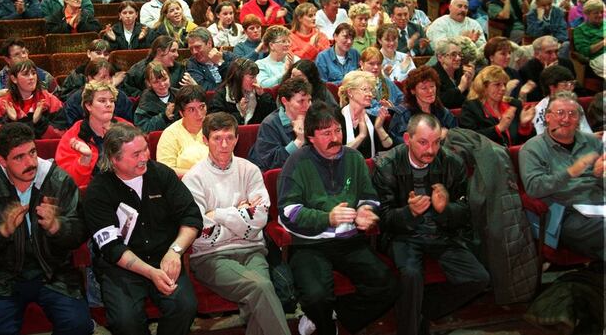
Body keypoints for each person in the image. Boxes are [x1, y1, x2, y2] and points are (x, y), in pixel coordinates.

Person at [279, 101, 398, 335]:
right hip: (309, 244)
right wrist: (327, 218)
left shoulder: (354, 158)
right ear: (311, 137)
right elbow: (288, 212)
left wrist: (366, 211)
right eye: (326, 133)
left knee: (388, 285)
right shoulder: (296, 162)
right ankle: (323, 321)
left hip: (349, 241)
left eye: (338, 130)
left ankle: (340, 315)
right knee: (316, 296)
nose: (335, 138)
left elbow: (369, 197)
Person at [0, 122, 93, 334]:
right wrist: (2, 230)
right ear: (2, 161)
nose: (30, 162)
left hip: (55, 273)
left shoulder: (59, 180)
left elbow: (80, 232)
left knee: (78, 326)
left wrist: (57, 226)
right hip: (5, 277)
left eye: (32, 152)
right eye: (19, 157)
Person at [373, 113, 491, 335]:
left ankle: (423, 310)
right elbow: (383, 219)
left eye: (436, 142)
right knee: (411, 274)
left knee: (479, 278)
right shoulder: (388, 165)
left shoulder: (452, 163)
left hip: (442, 233)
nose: (431, 150)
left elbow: (465, 213)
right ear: (407, 139)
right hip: (404, 235)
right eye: (423, 142)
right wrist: (409, 213)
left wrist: (444, 209)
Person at [84, 123, 202, 335]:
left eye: (145, 149)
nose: (144, 157)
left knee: (185, 307)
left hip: (164, 257)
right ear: (114, 159)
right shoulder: (98, 190)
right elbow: (111, 247)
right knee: (125, 321)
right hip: (121, 268)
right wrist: (150, 273)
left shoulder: (161, 174)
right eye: (136, 154)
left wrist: (175, 251)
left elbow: (191, 216)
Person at [182, 112, 290, 335]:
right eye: (217, 138)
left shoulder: (250, 170)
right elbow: (203, 232)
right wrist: (241, 214)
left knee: (260, 298)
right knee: (261, 287)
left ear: (237, 139)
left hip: (252, 250)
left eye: (229, 137)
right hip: (211, 257)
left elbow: (259, 219)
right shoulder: (194, 179)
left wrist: (217, 214)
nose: (224, 145)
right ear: (205, 140)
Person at [519, 92, 605, 261]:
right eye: (560, 113)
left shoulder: (593, 142)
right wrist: (570, 172)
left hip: (599, 205)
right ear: (548, 117)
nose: (566, 119)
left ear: (579, 118)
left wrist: (600, 175)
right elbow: (534, 188)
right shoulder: (532, 148)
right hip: (565, 214)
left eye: (572, 113)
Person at [56, 82, 132, 190]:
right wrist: (85, 160)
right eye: (102, 101)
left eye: (112, 100)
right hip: (91, 194)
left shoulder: (127, 128)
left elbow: (142, 163)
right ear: (88, 105)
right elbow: (68, 183)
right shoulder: (73, 137)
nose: (109, 104)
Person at [0, 60, 67, 142]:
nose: (31, 77)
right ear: (14, 79)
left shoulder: (51, 101)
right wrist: (9, 121)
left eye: (33, 73)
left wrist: (40, 122)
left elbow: (62, 133)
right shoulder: (1, 105)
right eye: (25, 74)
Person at [459, 66, 536, 148]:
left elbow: (531, 142)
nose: (503, 88)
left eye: (504, 84)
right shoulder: (471, 107)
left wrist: (524, 126)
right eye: (497, 84)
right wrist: (498, 128)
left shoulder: (514, 105)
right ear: (484, 87)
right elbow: (470, 139)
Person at [247, 77, 312, 170]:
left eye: (309, 100)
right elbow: (272, 162)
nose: (307, 106)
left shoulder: (313, 119)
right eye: (301, 101)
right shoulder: (269, 124)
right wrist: (298, 141)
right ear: (285, 101)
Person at [388, 66, 458, 145]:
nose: (430, 91)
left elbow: (457, 135)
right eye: (424, 88)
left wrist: (448, 133)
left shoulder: (442, 111)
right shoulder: (403, 115)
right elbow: (401, 144)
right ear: (413, 91)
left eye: (432, 86)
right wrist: (436, 136)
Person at [0, 37, 57, 105]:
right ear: (7, 59)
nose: (23, 56)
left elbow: (59, 99)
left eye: (24, 52)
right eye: (17, 54)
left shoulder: (44, 76)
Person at [337, 71, 394, 159]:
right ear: (350, 92)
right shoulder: (335, 119)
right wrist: (361, 136)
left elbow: (388, 146)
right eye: (365, 90)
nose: (370, 94)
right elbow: (335, 153)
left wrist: (379, 128)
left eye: (371, 90)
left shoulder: (373, 120)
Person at [157, 85, 210, 175]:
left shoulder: (215, 127)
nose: (199, 114)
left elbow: (227, 159)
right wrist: (199, 175)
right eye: (191, 109)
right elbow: (166, 171)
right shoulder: (170, 134)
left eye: (202, 107)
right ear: (181, 113)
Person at [62, 59, 134, 125]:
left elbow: (129, 123)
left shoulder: (121, 96)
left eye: (110, 77)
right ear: (90, 78)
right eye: (103, 77)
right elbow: (70, 126)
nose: (108, 81)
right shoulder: (75, 100)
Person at [209, 58, 276, 125]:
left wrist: (263, 96)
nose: (255, 81)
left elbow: (273, 117)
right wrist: (240, 113)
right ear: (238, 77)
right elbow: (217, 124)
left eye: (255, 77)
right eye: (252, 77)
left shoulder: (258, 94)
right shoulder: (221, 95)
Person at [532, 66, 592, 135]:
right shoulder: (539, 110)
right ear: (552, 87)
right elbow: (541, 135)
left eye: (572, 83)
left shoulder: (575, 105)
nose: (570, 88)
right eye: (565, 84)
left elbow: (586, 131)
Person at [123, 36, 190, 98]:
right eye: (173, 51)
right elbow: (126, 90)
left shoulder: (179, 69)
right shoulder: (138, 70)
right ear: (159, 51)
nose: (177, 55)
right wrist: (147, 97)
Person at [134, 61, 180, 133]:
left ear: (169, 76)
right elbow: (142, 129)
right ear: (149, 83)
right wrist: (164, 117)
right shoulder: (145, 101)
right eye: (156, 82)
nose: (162, 84)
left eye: (164, 79)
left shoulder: (180, 95)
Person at [359, 47, 404, 117]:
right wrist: (386, 110)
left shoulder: (387, 82)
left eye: (379, 64)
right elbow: (356, 110)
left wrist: (393, 108)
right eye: (371, 64)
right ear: (361, 64)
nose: (376, 67)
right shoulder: (355, 83)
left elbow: (403, 101)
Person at [432, 38, 474, 109]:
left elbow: (472, 99)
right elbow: (440, 101)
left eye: (459, 54)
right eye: (453, 54)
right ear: (440, 57)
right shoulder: (432, 74)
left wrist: (470, 84)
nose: (458, 58)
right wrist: (460, 88)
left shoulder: (462, 71)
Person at [573, 0, 605, 79]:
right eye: (596, 13)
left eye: (601, 12)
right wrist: (603, 42)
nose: (600, 15)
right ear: (587, 14)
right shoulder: (580, 30)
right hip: (597, 57)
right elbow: (585, 51)